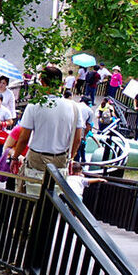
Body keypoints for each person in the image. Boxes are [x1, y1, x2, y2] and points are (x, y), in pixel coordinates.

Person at [11, 64, 85, 193]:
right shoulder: (74, 107)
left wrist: (15, 157)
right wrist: (70, 158)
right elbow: (77, 139)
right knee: (54, 193)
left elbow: (24, 137)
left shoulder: (34, 105)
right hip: (60, 158)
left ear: (43, 83)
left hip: (36, 158)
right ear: (61, 83)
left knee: (30, 192)